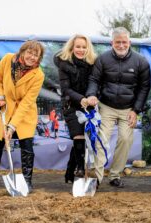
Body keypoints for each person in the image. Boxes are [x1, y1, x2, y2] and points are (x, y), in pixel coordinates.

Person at [86, 27, 151, 188]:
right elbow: (94, 79)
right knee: (101, 139)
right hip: (106, 106)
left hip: (129, 109)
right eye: (118, 42)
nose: (121, 45)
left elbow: (144, 88)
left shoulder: (141, 61)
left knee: (126, 139)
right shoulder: (102, 59)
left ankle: (115, 175)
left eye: (124, 42)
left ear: (129, 42)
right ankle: (97, 178)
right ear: (112, 43)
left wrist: (136, 110)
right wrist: (91, 95)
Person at [0, 40, 45, 192]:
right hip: (4, 108)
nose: (32, 57)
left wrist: (12, 126)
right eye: (29, 52)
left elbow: (27, 102)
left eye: (36, 55)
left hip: (24, 113)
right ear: (22, 51)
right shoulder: (8, 59)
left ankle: (27, 180)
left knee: (27, 147)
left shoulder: (38, 75)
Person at [54, 34, 97, 183]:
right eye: (78, 46)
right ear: (72, 47)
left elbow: (95, 83)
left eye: (84, 47)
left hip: (88, 106)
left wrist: (91, 97)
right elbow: (66, 89)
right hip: (71, 104)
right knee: (78, 135)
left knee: (84, 139)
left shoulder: (93, 64)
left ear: (88, 48)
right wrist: (81, 99)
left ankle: (69, 171)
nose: (81, 49)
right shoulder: (64, 63)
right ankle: (80, 169)